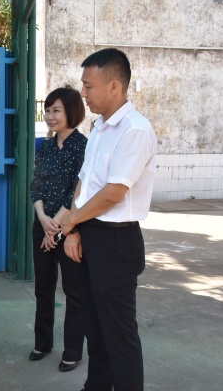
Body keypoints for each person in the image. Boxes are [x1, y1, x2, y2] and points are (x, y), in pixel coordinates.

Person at [60, 48, 157, 391]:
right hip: (89, 233)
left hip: (116, 241)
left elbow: (114, 193)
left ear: (114, 86)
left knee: (119, 335)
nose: (83, 93)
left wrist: (71, 221)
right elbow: (85, 183)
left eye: (88, 86)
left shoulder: (135, 130)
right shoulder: (100, 127)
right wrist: (74, 229)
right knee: (95, 329)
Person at [29, 87, 87, 372]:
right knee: (43, 286)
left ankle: (73, 350)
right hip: (43, 224)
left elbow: (78, 189)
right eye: (48, 110)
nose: (50, 116)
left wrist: (58, 226)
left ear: (71, 112)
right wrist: (43, 219)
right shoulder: (46, 146)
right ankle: (42, 342)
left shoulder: (84, 146)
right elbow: (36, 184)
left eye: (56, 111)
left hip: (71, 228)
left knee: (74, 290)